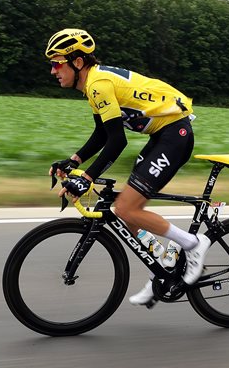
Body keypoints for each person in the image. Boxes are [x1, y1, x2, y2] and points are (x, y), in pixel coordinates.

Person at [46, 28, 211, 307]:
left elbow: (117, 142)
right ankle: (163, 267)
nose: (53, 71)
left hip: (174, 136)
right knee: (124, 209)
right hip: (161, 136)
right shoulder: (94, 85)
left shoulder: (98, 84)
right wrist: (74, 161)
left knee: (126, 208)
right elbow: (103, 133)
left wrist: (86, 178)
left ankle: (194, 244)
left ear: (77, 62)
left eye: (57, 63)